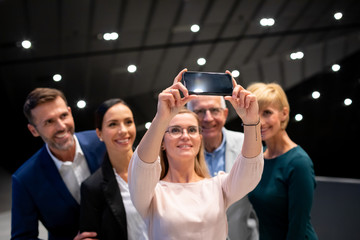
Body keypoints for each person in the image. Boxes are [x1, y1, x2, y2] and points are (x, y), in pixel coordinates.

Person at [128, 68, 264, 240]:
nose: (185, 136)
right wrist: (161, 119)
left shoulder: (219, 186)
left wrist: (251, 121)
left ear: (200, 139)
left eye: (192, 130)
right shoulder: (151, 193)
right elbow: (142, 168)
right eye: (175, 130)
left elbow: (250, 170)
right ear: (162, 142)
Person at [11, 88, 106, 240]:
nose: (61, 126)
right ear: (33, 130)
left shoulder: (103, 142)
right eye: (49, 121)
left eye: (63, 115)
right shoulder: (24, 180)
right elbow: (22, 238)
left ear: (70, 112)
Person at [246, 82, 318, 240]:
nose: (260, 121)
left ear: (284, 114)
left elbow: (297, 228)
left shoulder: (299, 163)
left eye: (267, 113)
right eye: (255, 113)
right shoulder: (259, 158)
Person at [187, 95, 259, 240]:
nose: (208, 118)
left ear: (225, 114)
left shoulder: (247, 145)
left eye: (214, 110)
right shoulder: (182, 151)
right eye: (200, 111)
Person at [79, 98, 148, 240]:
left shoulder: (159, 165)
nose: (123, 130)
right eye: (113, 124)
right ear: (99, 134)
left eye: (128, 122)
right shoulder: (92, 187)